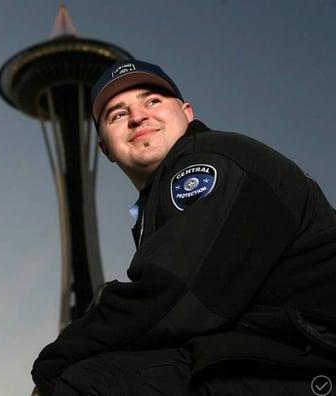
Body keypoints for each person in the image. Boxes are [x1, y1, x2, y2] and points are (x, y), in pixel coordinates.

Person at [31, 59, 336, 395]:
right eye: (117, 114)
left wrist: (57, 358)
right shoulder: (160, 200)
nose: (138, 116)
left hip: (308, 363)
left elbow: (171, 296)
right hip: (267, 354)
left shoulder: (213, 160)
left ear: (187, 113)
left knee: (83, 383)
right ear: (105, 148)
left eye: (152, 101)